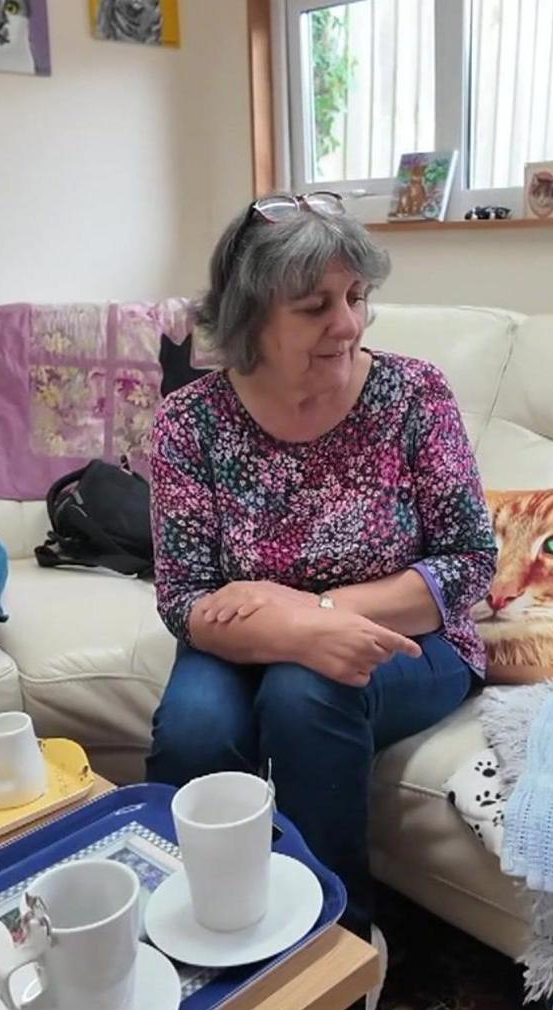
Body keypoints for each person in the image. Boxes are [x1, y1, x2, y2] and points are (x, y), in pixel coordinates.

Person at [145, 192, 497, 946]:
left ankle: (335, 941)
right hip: (245, 640)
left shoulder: (413, 394)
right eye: (314, 307)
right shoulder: (189, 420)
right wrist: (294, 629)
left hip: (414, 641)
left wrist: (321, 616)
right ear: (249, 320)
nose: (347, 324)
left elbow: (470, 562)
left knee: (307, 693)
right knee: (194, 732)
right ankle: (214, 927)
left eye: (357, 297)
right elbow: (183, 597)